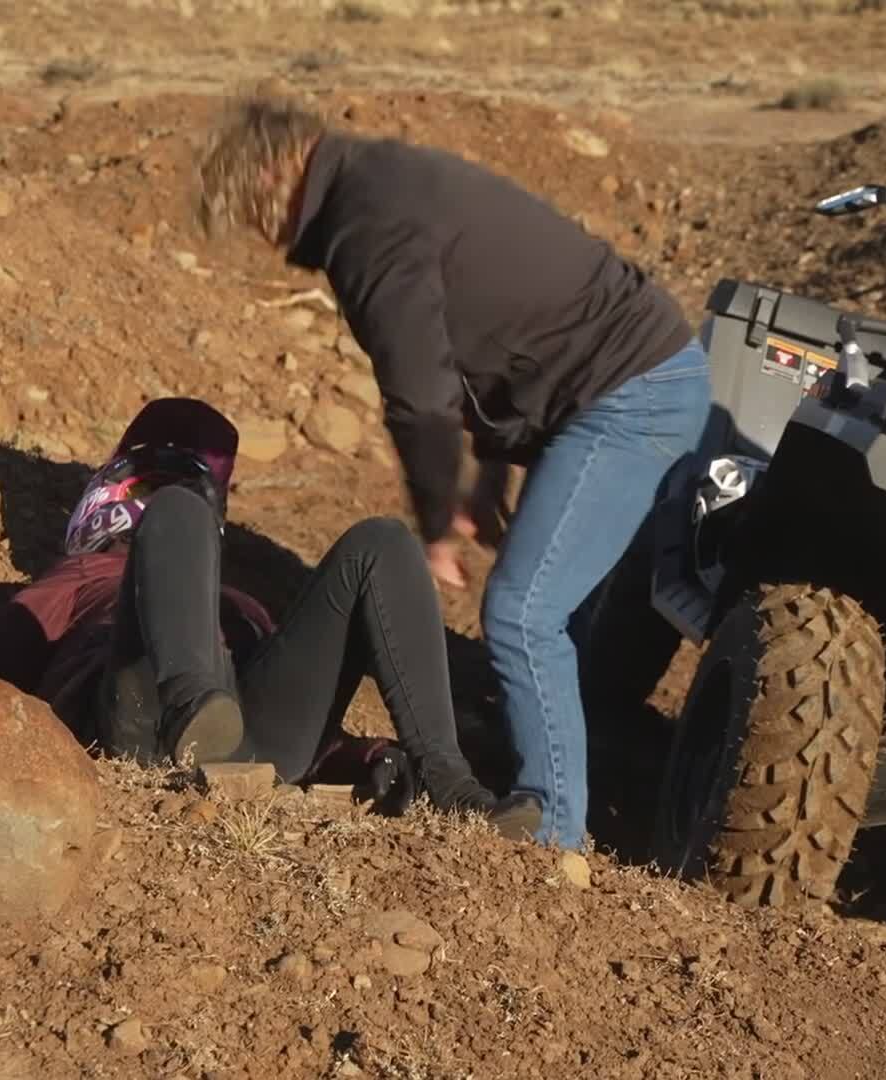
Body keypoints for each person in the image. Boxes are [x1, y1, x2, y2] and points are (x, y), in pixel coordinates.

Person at [194, 95, 712, 851]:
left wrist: (436, 526)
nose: (262, 234)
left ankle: (553, 831)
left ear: (273, 172)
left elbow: (421, 394)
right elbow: (485, 333)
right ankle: (547, 761)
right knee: (549, 607)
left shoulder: (365, 220)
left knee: (522, 612)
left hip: (630, 394)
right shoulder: (378, 181)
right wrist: (490, 471)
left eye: (251, 211)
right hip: (617, 379)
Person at [0, 397, 540, 834]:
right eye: (153, 486)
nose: (172, 506)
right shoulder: (76, 578)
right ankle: (192, 710)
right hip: (135, 716)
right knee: (181, 525)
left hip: (249, 737)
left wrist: (366, 757)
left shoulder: (238, 596)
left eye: (190, 492)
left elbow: (304, 714)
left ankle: (450, 782)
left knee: (382, 543)